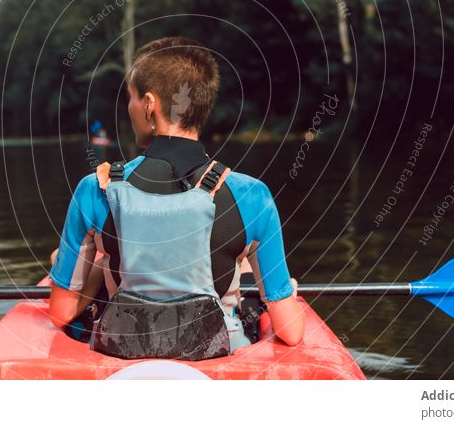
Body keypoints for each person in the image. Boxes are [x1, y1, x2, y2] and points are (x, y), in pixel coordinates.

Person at [49, 37, 305, 358]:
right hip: (217, 355)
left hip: (122, 352)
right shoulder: (253, 195)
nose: (129, 108)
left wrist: (99, 267)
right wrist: (287, 295)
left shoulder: (95, 188)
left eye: (130, 98)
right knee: (250, 277)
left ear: (149, 103)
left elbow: (60, 313)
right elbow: (291, 333)